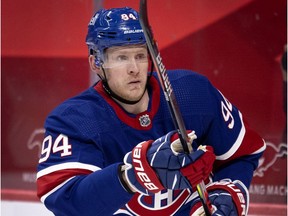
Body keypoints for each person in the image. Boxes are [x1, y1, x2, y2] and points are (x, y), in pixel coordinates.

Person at [36, 7, 266, 216]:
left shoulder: (192, 94)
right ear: (96, 63)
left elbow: (242, 155)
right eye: (121, 58)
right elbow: (66, 201)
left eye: (139, 55)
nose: (134, 68)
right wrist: (133, 176)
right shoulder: (74, 120)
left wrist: (227, 195)